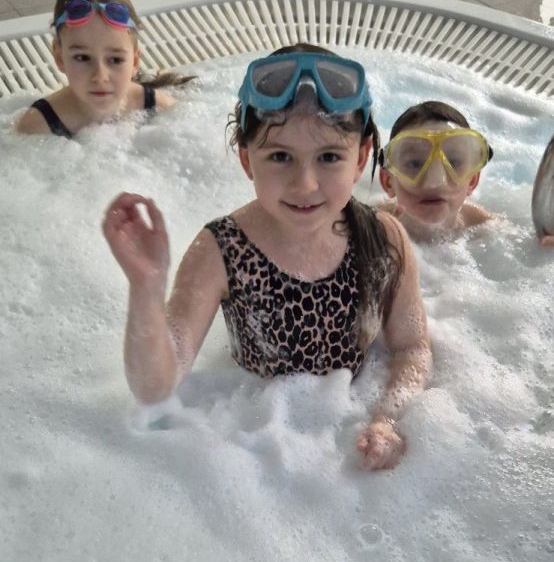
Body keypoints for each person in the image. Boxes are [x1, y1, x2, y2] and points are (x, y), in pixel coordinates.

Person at [103, 45, 431, 471]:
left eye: (329, 157)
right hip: (253, 452)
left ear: (361, 158)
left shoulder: (384, 241)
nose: (305, 183)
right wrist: (146, 289)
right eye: (280, 156)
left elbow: (412, 348)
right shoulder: (220, 250)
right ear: (247, 159)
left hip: (344, 448)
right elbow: (155, 387)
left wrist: (387, 420)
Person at [17, 0, 193, 138]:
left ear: (135, 61)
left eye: (115, 60)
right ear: (59, 57)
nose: (100, 76)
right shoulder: (38, 125)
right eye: (82, 58)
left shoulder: (157, 107)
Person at [378, 100, 494, 240]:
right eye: (415, 164)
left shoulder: (483, 225)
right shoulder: (374, 225)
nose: (435, 183)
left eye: (454, 163)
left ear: (472, 181)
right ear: (388, 182)